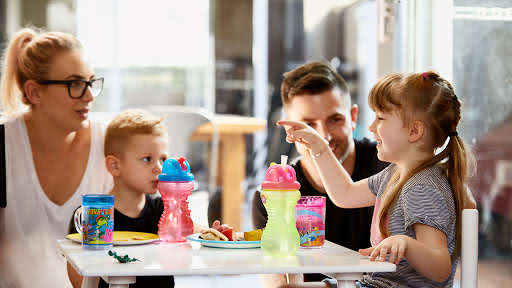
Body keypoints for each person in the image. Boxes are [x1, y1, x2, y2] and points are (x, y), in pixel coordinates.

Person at [279, 71, 477, 287]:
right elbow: (345, 194)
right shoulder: (395, 174)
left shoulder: (422, 187)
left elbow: (440, 268)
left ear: (414, 131)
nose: (371, 127)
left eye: (380, 118)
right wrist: (319, 146)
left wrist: (405, 243)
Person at [251, 61, 388, 286]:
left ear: (353, 117)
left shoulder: (388, 167)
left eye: (335, 120)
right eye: (309, 124)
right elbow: (279, 284)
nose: (323, 136)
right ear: (289, 130)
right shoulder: (272, 196)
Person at [0, 28, 112, 287]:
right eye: (74, 84)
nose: (88, 96)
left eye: (91, 82)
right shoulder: (6, 144)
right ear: (34, 92)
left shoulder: (109, 145)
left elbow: (150, 219)